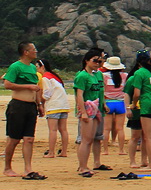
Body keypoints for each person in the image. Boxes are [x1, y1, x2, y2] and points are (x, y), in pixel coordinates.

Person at [3, 42, 46, 179]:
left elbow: (36, 86)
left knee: (29, 139)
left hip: (31, 106)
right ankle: (7, 167)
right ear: (26, 52)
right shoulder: (16, 67)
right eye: (33, 50)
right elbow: (7, 84)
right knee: (14, 139)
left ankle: (28, 168)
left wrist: (39, 104)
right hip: (18, 105)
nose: (36, 52)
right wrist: (27, 87)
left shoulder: (33, 68)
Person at [74, 48, 110, 177]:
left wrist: (104, 104)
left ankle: (86, 165)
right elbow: (79, 95)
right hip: (88, 109)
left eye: (99, 61)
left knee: (92, 138)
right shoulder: (82, 76)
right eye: (94, 60)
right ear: (86, 61)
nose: (97, 63)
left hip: (97, 109)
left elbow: (100, 91)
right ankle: (82, 167)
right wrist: (83, 112)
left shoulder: (97, 75)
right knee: (86, 139)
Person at [37, 58, 70, 159]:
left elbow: (47, 93)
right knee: (63, 130)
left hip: (54, 105)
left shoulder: (45, 77)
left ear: (42, 67)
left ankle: (51, 152)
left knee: (53, 130)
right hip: (64, 105)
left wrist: (40, 102)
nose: (36, 69)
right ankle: (64, 151)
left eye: (37, 67)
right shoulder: (55, 77)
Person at [102, 56, 128, 155]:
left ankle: (105, 150)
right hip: (120, 103)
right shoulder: (125, 75)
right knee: (120, 128)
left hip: (108, 102)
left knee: (106, 129)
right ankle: (121, 150)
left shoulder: (104, 76)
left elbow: (102, 90)